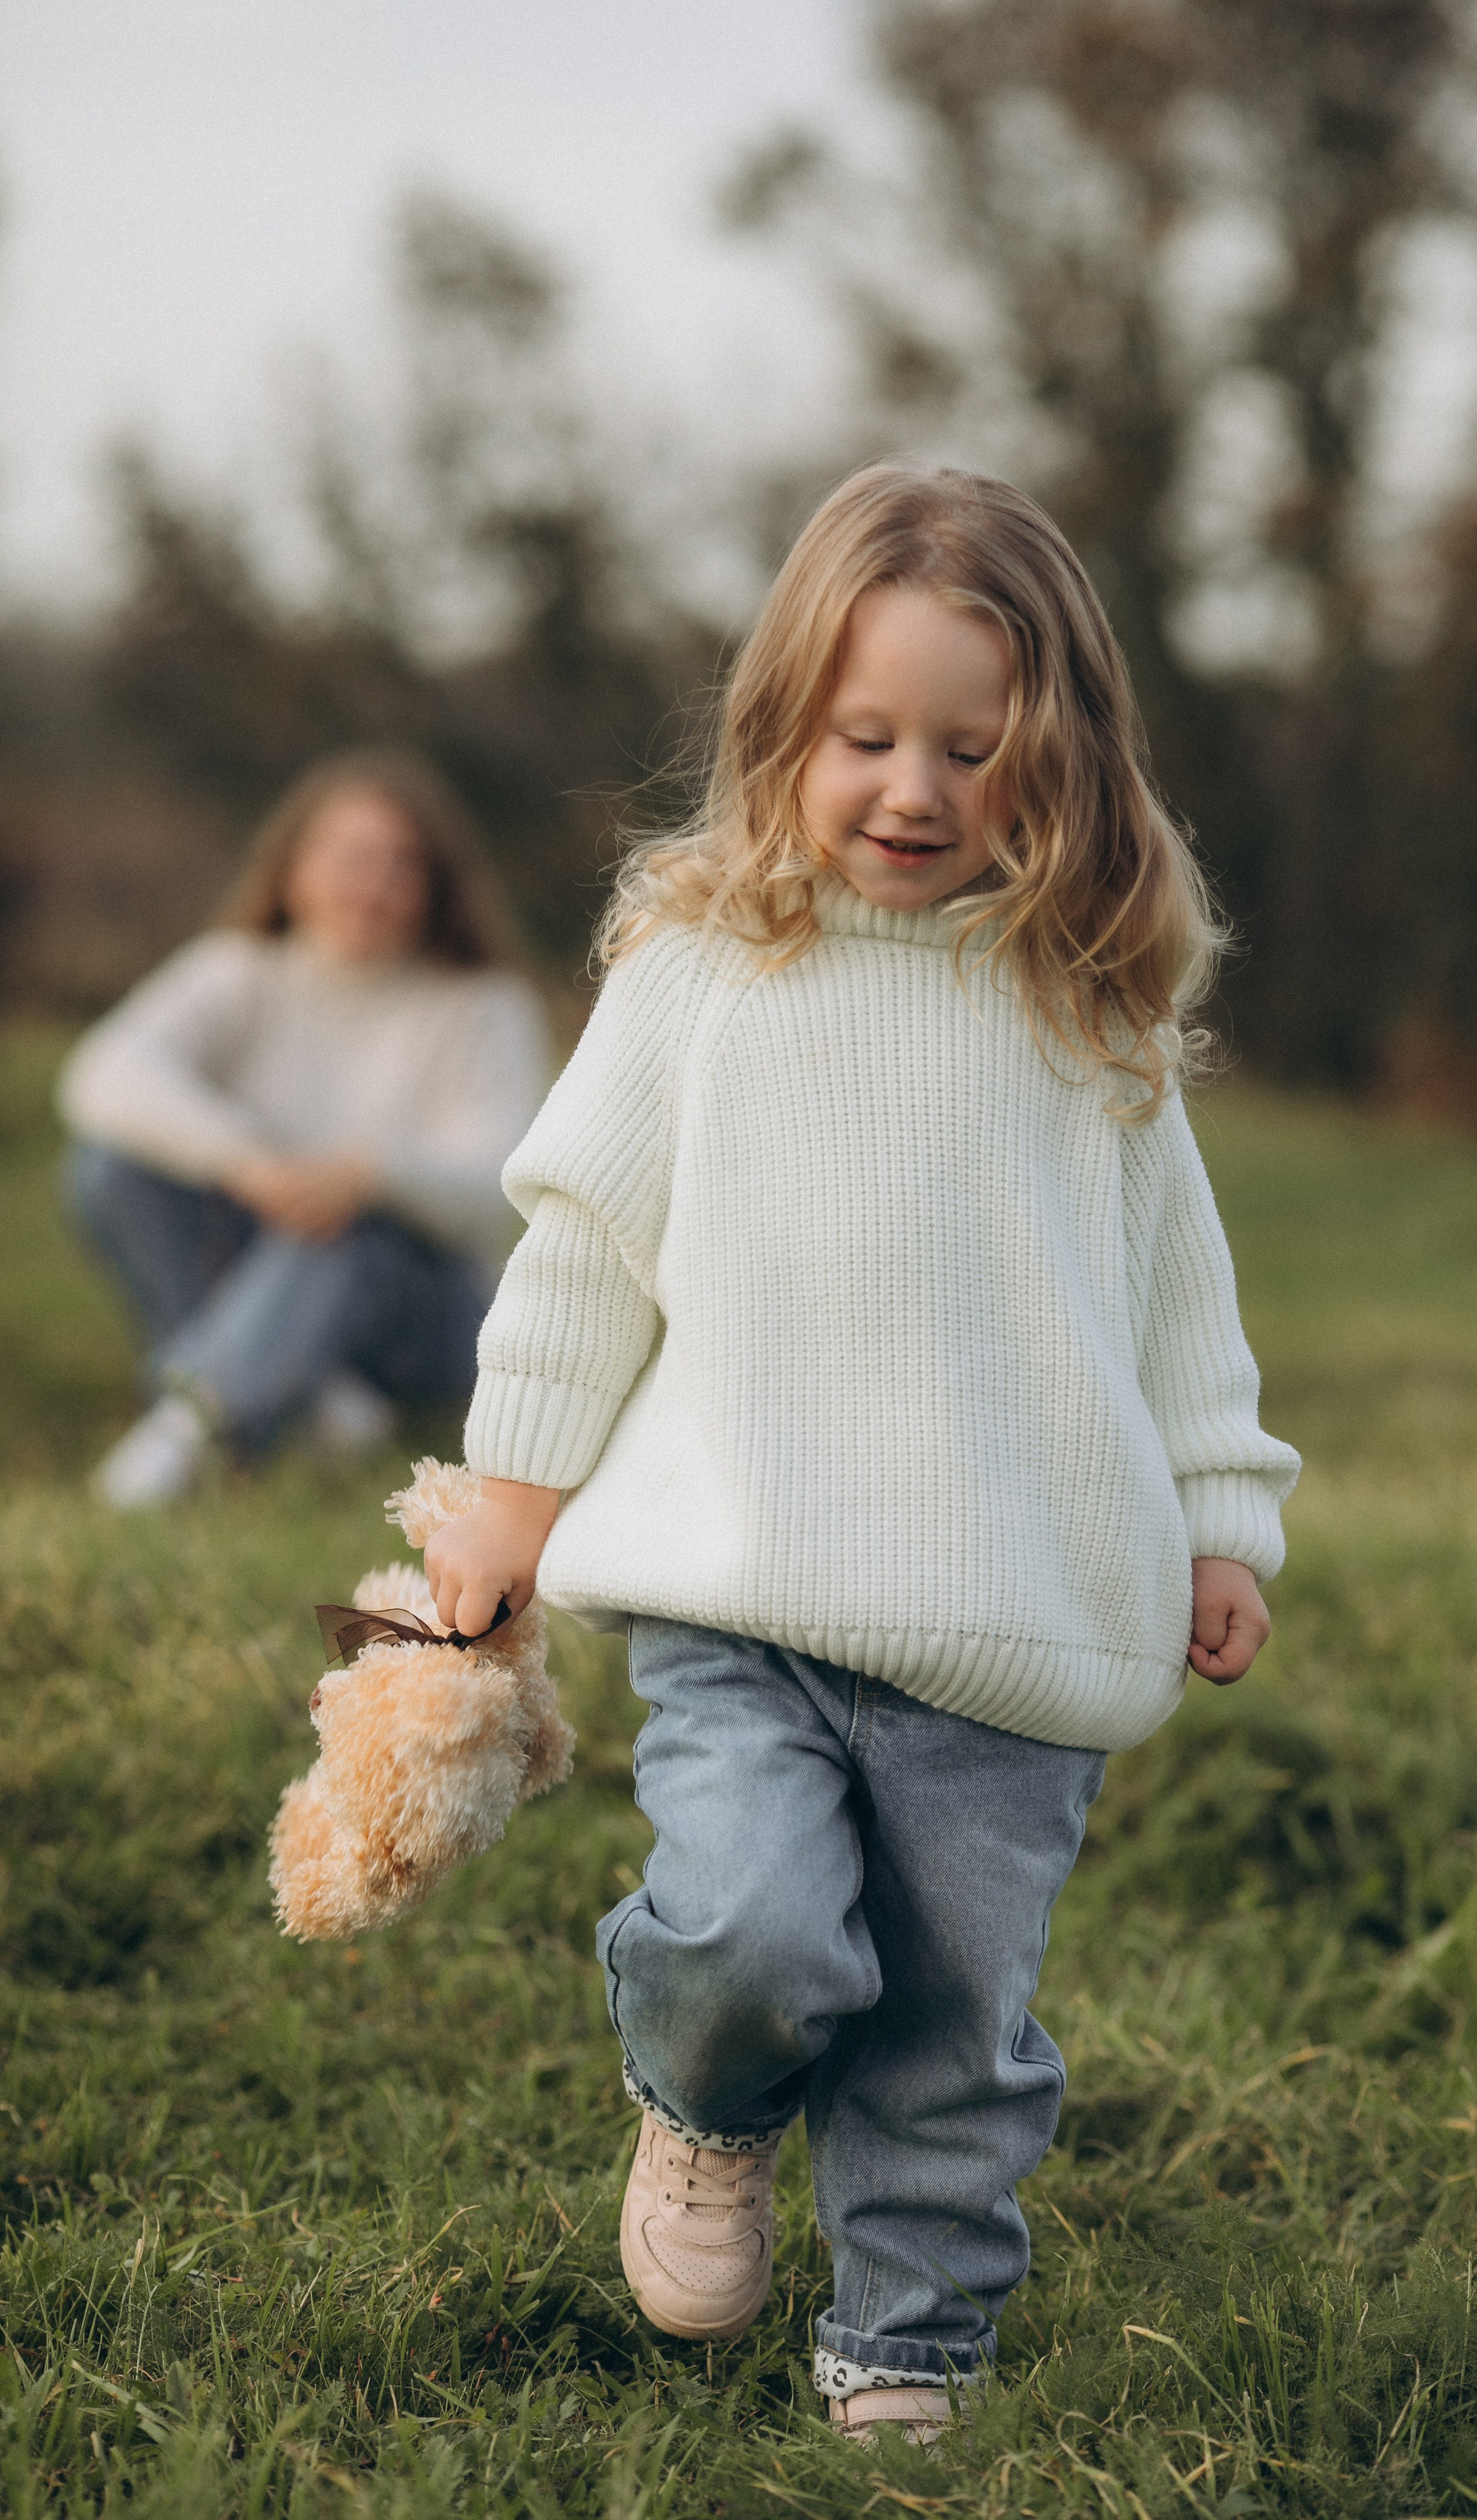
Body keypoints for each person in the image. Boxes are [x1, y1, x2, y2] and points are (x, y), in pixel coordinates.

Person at [424, 467, 1301, 2447]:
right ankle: (704, 2100)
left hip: (1012, 1610)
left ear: (1053, 761)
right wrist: (508, 1488)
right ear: (782, 732)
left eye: (971, 749)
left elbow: (1174, 1299)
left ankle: (907, 2335)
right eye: (866, 735)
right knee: (749, 1922)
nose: (912, 787)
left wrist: (1219, 1515)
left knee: (944, 2019)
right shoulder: (698, 973)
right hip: (746, 1589)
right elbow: (584, 1250)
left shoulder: (1088, 1010)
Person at [59, 749, 551, 1509]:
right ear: (292, 867)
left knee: (352, 1229)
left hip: (429, 1309)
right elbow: (103, 1074)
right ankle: (302, 1395)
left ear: (436, 887)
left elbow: (499, 1189)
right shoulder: (239, 973)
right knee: (110, 1172)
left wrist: (369, 1176)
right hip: (268, 1255)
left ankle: (190, 1431)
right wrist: (248, 1163)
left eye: (401, 865)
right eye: (351, 857)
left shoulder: (484, 1009)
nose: (373, 884)